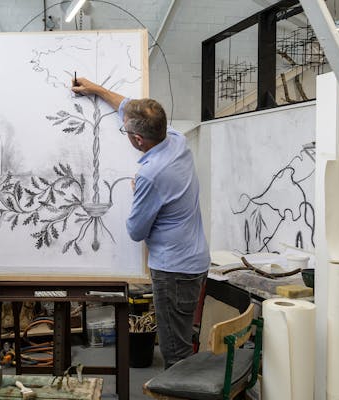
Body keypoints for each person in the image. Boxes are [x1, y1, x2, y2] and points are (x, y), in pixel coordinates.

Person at [72, 78, 210, 369]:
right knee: (182, 341)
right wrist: (96, 90)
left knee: (175, 352)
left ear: (137, 140)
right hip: (193, 261)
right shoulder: (176, 140)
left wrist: (138, 194)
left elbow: (136, 231)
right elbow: (128, 107)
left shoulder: (151, 174)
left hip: (174, 271)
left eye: (125, 130)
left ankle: (180, 387)